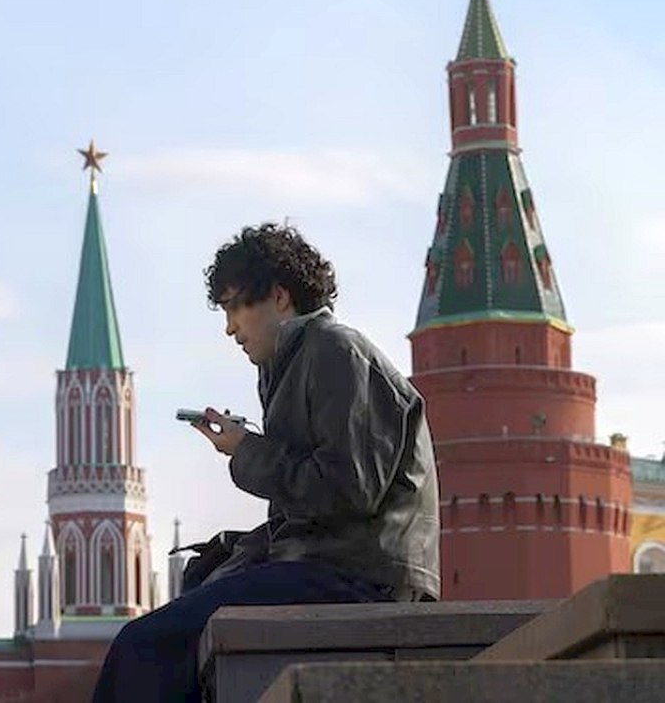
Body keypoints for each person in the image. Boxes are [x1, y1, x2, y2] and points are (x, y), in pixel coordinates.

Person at [91, 222, 440, 703]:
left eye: (236, 307)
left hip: (362, 576)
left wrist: (245, 450)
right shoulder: (293, 362)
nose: (229, 327)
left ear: (279, 296)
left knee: (144, 645)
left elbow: (349, 490)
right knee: (196, 589)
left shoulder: (336, 350)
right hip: (332, 566)